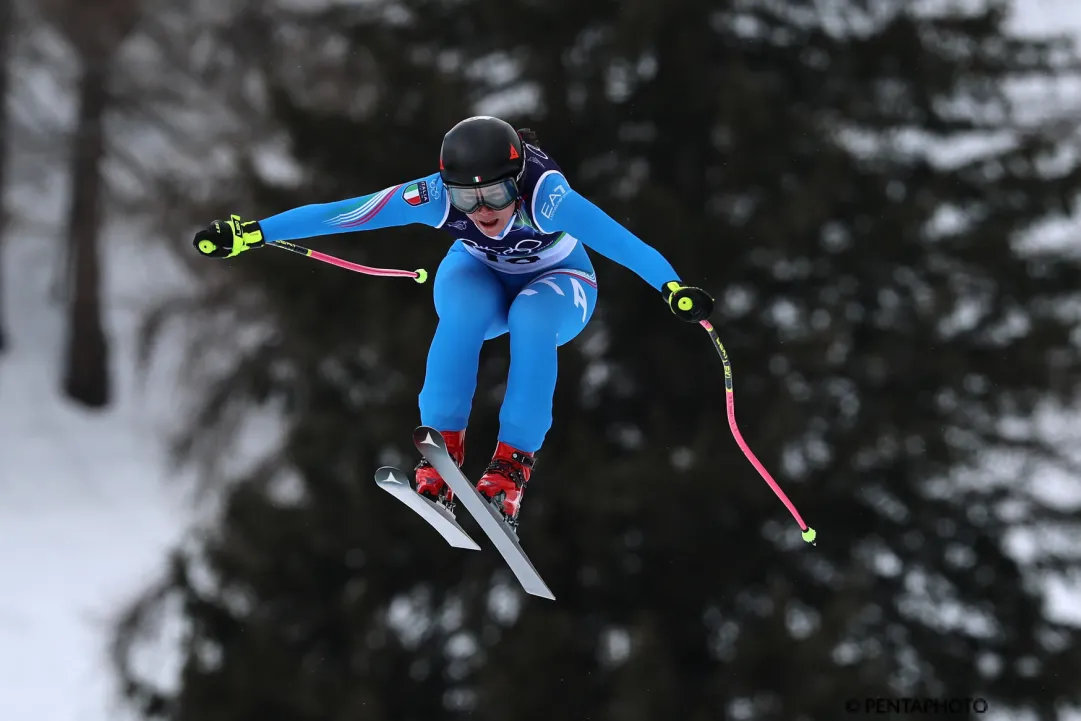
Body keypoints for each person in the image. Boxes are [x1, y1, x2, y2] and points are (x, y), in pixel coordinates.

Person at [191, 115, 713, 532]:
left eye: (496, 196)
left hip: (560, 282)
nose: (482, 210)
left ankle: (511, 468)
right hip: (479, 272)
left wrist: (672, 287)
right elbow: (346, 213)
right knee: (462, 312)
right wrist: (252, 232)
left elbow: (621, 242)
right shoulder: (434, 194)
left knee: (531, 318)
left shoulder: (547, 196)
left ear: (516, 183)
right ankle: (440, 448)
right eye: (467, 198)